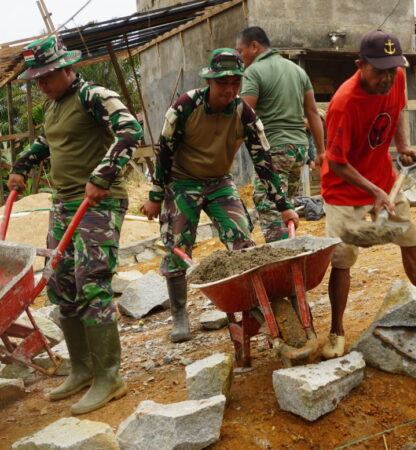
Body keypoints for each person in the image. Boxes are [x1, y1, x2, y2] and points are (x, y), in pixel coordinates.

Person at [7, 36, 143, 414]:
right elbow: (45, 142)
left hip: (98, 203)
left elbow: (131, 130)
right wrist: (22, 166)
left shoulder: (93, 96)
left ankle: (109, 377)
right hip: (64, 204)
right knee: (61, 282)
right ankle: (82, 369)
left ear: (68, 69)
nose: (42, 85)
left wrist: (103, 174)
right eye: (37, 80)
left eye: (47, 77)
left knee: (92, 282)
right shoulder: (54, 106)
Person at [139, 49, 298, 342]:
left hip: (220, 182)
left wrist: (284, 206)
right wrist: (156, 195)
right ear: (210, 81)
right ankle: (180, 315)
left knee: (242, 242)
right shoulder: (185, 107)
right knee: (177, 247)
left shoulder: (244, 113)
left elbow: (264, 161)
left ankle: (253, 305)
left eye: (235, 82)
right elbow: (164, 152)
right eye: (223, 82)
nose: (229, 89)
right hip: (183, 181)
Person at [319, 29, 416, 359]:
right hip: (343, 189)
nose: (386, 78)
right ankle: (337, 329)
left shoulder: (395, 79)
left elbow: (397, 113)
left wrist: (403, 147)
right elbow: (337, 162)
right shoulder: (344, 102)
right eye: (378, 70)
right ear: (360, 65)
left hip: (383, 179)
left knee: (408, 239)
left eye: (391, 69)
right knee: (342, 258)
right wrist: (374, 191)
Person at [235, 26, 325, 242]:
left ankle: (281, 255)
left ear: (254, 46)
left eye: (240, 51)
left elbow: (243, 115)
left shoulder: (253, 72)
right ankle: (291, 248)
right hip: (299, 150)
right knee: (286, 205)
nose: (239, 56)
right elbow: (312, 112)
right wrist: (321, 150)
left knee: (268, 202)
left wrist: (227, 150)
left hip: (274, 149)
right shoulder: (297, 70)